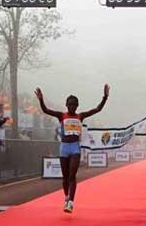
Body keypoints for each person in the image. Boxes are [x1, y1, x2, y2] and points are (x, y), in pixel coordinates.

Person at [35, 84, 110, 213]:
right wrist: (41, 100)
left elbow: (97, 109)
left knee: (72, 176)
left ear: (77, 105)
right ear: (66, 105)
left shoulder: (80, 116)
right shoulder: (61, 116)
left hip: (75, 148)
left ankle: (70, 202)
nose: (72, 106)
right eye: (70, 104)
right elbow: (46, 110)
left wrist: (105, 97)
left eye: (74, 104)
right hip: (64, 147)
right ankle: (66, 197)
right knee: (65, 177)